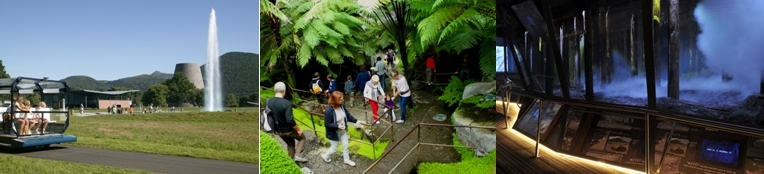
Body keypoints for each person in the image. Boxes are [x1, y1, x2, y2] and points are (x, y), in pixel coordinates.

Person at [269, 82, 309, 162]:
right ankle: (297, 155)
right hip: (288, 130)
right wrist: (298, 129)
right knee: (302, 138)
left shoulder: (269, 101)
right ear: (284, 91)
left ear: (274, 90)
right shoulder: (286, 103)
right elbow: (290, 120)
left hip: (278, 131)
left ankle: (291, 161)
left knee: (290, 144)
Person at [321, 91, 358, 167]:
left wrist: (356, 121)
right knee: (334, 148)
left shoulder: (341, 106)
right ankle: (325, 156)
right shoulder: (329, 111)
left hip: (343, 131)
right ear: (335, 100)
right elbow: (327, 124)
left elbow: (347, 115)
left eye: (342, 98)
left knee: (345, 145)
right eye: (341, 99)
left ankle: (346, 160)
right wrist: (337, 126)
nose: (343, 100)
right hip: (334, 133)